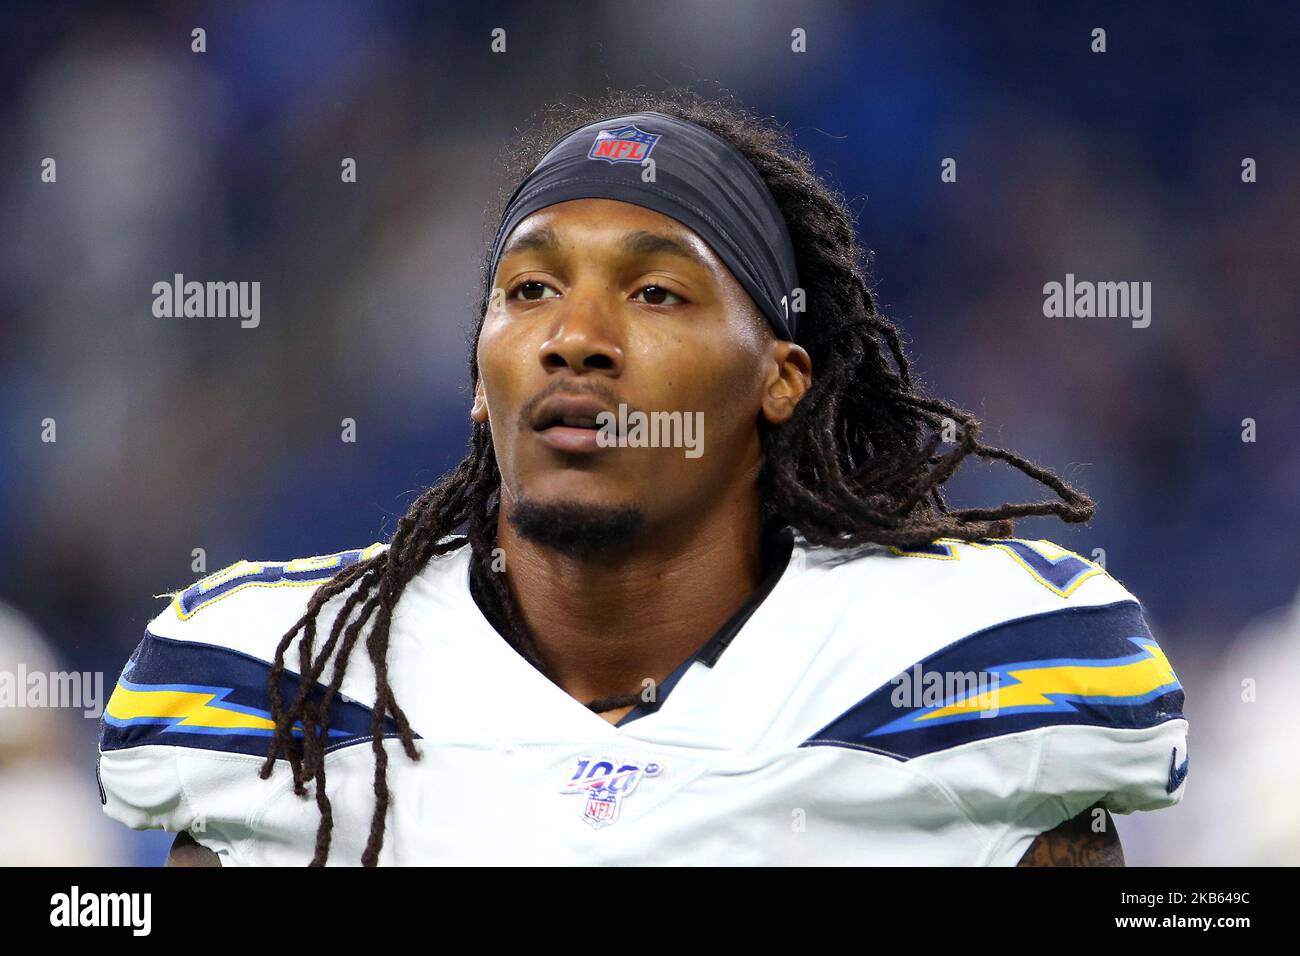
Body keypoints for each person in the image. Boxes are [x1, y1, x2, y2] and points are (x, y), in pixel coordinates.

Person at [97, 90, 1188, 866]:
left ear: (780, 376)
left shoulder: (970, 669)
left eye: (656, 293)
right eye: (528, 289)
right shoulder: (272, 683)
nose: (574, 337)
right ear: (480, 379)